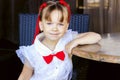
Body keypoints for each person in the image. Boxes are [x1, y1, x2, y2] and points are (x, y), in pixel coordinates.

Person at [16, 0, 101, 80]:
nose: (55, 29)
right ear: (41, 25)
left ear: (66, 26)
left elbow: (96, 36)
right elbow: (24, 76)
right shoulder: (32, 52)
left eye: (60, 24)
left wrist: (74, 42)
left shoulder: (68, 38)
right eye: (49, 23)